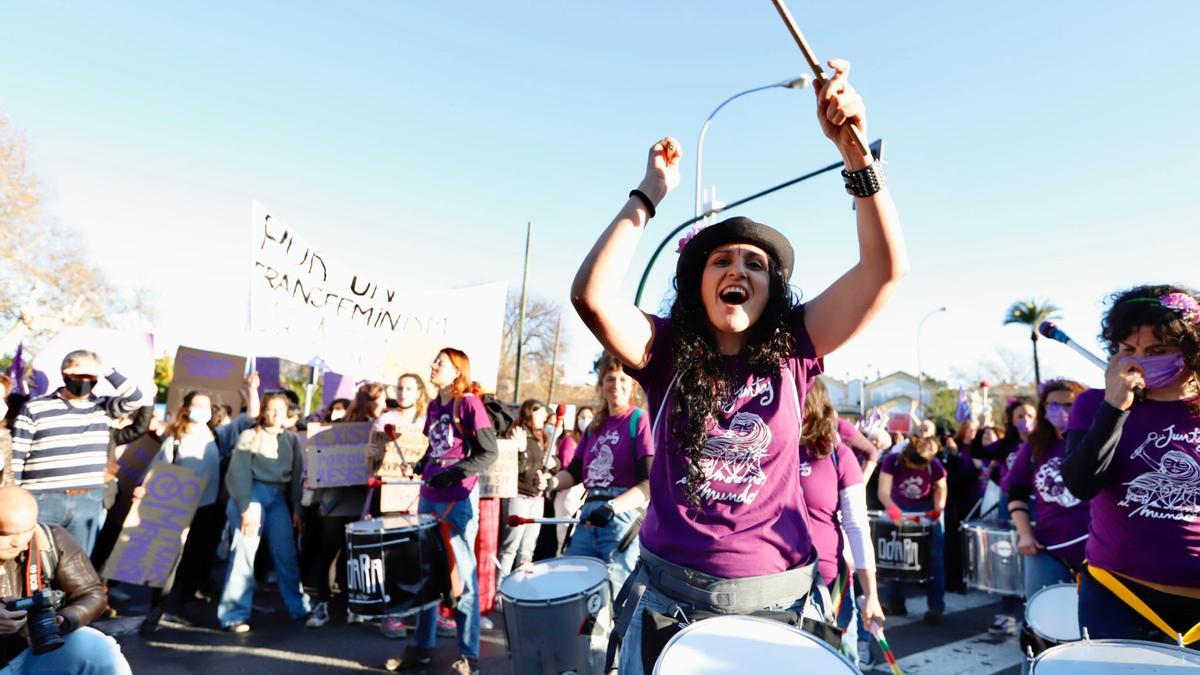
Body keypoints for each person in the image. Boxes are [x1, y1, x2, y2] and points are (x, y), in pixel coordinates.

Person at [570, 57, 906, 673]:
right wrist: (648, 195)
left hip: (778, 608)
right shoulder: (662, 351)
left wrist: (855, 154)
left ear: (770, 289)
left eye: (755, 264)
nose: (739, 270)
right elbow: (591, 296)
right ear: (698, 285)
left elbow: (883, 270)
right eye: (721, 259)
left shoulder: (796, 347)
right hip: (669, 605)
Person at [1062, 285, 1200, 645]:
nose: (1139, 360)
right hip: (1118, 595)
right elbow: (1081, 483)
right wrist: (1114, 408)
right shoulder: (1093, 405)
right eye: (1127, 350)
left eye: (1158, 351)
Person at [388, 349, 499, 675]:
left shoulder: (468, 404)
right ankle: (421, 649)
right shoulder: (435, 405)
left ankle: (470, 656)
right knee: (426, 575)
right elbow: (437, 447)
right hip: (428, 497)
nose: (433, 366)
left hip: (455, 500)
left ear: (457, 371)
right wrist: (423, 465)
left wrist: (452, 473)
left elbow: (488, 452)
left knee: (461, 578)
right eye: (434, 361)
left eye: (441, 363)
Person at [10, 350, 145, 556]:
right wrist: (16, 497)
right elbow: (17, 457)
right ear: (65, 373)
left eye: (90, 375)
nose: (84, 380)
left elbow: (135, 398)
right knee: (35, 561)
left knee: (78, 567)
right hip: (41, 498)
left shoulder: (103, 407)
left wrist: (107, 370)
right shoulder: (35, 408)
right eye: (78, 374)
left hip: (87, 499)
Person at [540, 355, 654, 596]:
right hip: (588, 515)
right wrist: (550, 482)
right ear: (601, 384)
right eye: (609, 378)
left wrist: (612, 507)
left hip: (622, 518)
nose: (616, 384)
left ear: (633, 385)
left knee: (613, 596)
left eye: (623, 379)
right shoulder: (595, 426)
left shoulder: (638, 419)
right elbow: (574, 473)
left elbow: (648, 484)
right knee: (573, 587)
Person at [0, 486, 130, 674]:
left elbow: (92, 594)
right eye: (5, 534)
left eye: (27, 530)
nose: (19, 542)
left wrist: (63, 620)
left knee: (97, 647)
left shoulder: (51, 540)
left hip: (32, 655)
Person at [797, 387, 883, 667]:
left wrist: (871, 595)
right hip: (772, 586)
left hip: (827, 585)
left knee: (838, 664)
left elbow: (857, 526)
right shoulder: (766, 450)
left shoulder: (839, 455)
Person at [216, 391, 310, 632]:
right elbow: (239, 473)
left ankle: (298, 607)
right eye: (271, 408)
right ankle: (233, 614)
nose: (276, 414)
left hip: (278, 497)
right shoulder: (249, 435)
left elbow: (297, 476)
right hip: (252, 494)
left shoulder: (290, 439)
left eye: (281, 409)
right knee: (243, 554)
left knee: (286, 553)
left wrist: (297, 508)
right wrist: (246, 507)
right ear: (263, 411)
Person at [139, 390, 226, 634]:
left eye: (206, 405)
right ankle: (156, 607)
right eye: (197, 405)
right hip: (176, 508)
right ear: (186, 408)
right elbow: (156, 470)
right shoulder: (174, 439)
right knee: (167, 560)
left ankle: (185, 604)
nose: (202, 409)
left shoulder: (216, 436)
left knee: (195, 559)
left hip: (206, 508)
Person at [308, 382, 386, 630]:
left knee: (358, 556)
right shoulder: (338, 429)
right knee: (330, 552)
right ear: (369, 402)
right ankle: (322, 604)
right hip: (338, 502)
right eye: (381, 400)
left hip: (364, 502)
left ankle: (355, 605)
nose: (384, 406)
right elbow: (319, 459)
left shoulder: (382, 430)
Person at [1002, 379, 1088, 601]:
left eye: (1069, 404)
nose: (1060, 410)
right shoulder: (1035, 445)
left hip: (1098, 551)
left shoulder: (1096, 442)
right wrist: (1025, 535)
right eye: (1053, 405)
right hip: (1046, 549)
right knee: (1044, 623)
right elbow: (1016, 492)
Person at [878, 434, 947, 622]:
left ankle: (936, 607)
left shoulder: (934, 464)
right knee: (897, 558)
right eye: (918, 466)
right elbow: (883, 490)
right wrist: (892, 508)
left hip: (926, 511)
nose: (922, 469)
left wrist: (938, 508)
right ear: (907, 459)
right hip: (900, 509)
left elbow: (941, 486)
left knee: (935, 559)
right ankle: (895, 604)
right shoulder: (892, 461)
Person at [496, 399, 549, 579]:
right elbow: (513, 469)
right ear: (529, 413)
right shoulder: (516, 434)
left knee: (527, 549)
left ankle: (521, 588)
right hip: (518, 496)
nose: (545, 417)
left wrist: (545, 478)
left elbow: (547, 466)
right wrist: (520, 451)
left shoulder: (540, 438)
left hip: (536, 498)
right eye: (540, 413)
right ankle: (499, 591)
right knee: (510, 546)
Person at [552, 406, 592, 551]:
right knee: (564, 540)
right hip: (569, 493)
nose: (586, 421)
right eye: (582, 417)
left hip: (583, 494)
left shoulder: (593, 439)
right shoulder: (570, 440)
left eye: (589, 417)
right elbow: (570, 466)